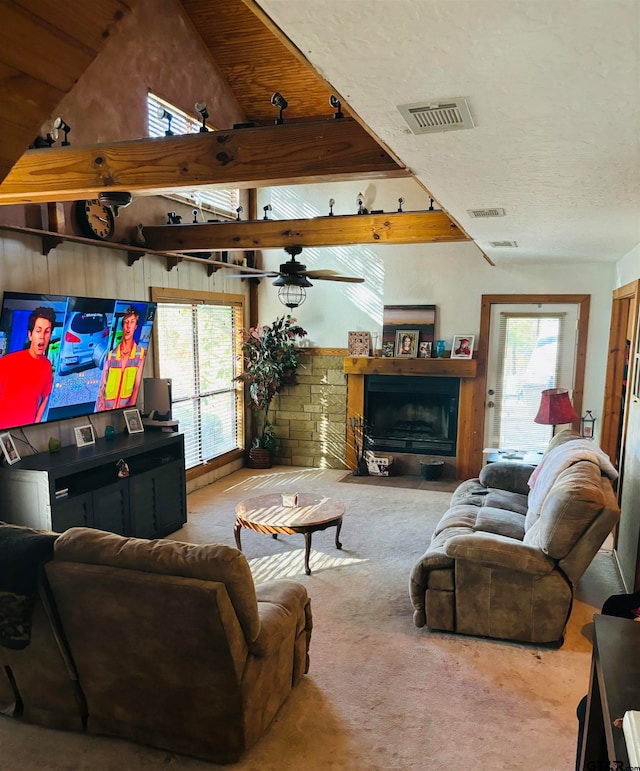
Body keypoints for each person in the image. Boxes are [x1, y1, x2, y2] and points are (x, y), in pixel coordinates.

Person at [0, 306, 56, 429]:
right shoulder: (7, 362)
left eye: (47, 331)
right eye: (38, 330)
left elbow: (45, 396)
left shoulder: (46, 365)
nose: (42, 337)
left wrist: (35, 424)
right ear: (30, 335)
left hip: (26, 431)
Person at [96, 306, 146, 411]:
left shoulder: (140, 354)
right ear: (122, 325)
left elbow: (136, 387)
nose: (128, 326)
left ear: (136, 326)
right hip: (106, 411)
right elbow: (102, 384)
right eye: (126, 322)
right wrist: (100, 406)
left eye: (132, 322)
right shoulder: (111, 355)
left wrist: (129, 411)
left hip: (124, 412)